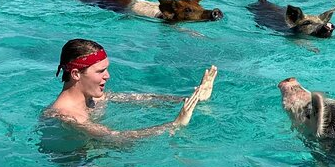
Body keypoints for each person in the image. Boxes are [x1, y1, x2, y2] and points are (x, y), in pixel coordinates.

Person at [44, 38, 217, 141]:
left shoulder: (94, 98)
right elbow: (116, 138)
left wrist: (190, 99)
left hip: (94, 152)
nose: (107, 76)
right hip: (74, 165)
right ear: (76, 74)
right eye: (100, 71)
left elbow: (141, 99)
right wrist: (174, 125)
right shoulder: (65, 115)